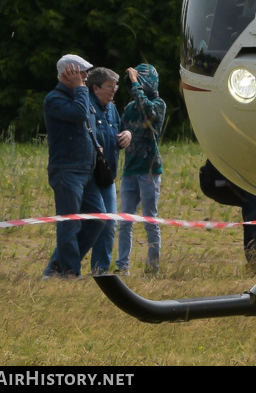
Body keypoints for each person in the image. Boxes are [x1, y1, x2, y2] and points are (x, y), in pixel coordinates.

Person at [42, 54, 104, 279]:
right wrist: (80, 88)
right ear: (67, 73)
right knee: (70, 225)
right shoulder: (55, 99)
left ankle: (59, 265)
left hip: (86, 170)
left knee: (98, 218)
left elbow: (88, 125)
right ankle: (70, 272)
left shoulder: (81, 96)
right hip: (66, 171)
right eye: (81, 72)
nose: (86, 77)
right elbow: (78, 115)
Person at [117, 64, 167, 274]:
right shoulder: (130, 108)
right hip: (129, 171)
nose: (134, 85)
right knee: (125, 221)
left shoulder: (158, 104)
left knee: (149, 220)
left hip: (149, 171)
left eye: (138, 81)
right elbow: (119, 130)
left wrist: (137, 84)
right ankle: (122, 267)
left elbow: (149, 112)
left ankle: (152, 267)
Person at [84, 67, 130, 275]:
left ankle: (100, 271)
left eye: (115, 87)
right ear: (95, 88)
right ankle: (66, 264)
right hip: (88, 176)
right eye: (110, 87)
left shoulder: (111, 108)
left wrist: (127, 135)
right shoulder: (86, 107)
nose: (114, 91)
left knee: (109, 223)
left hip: (108, 175)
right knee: (92, 223)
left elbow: (117, 133)